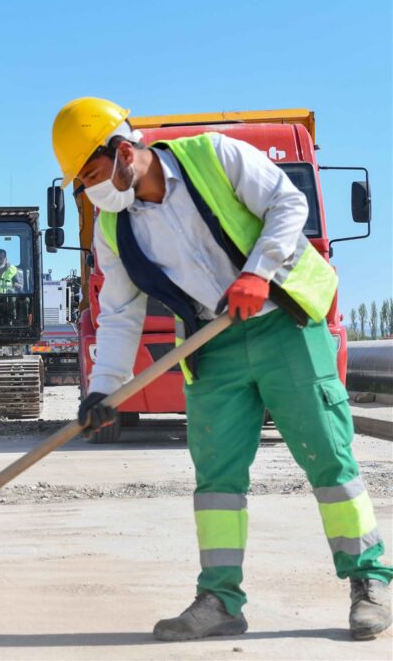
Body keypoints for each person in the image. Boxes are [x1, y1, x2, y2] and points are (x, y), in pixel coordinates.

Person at [51, 97, 391, 642]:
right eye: (80, 184)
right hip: (213, 345)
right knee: (216, 481)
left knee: (327, 456)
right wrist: (102, 392)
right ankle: (219, 599)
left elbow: (287, 204)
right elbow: (117, 316)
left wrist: (258, 271)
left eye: (91, 174)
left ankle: (368, 581)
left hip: (284, 323)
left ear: (122, 151)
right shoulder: (112, 230)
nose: (91, 190)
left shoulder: (214, 155)